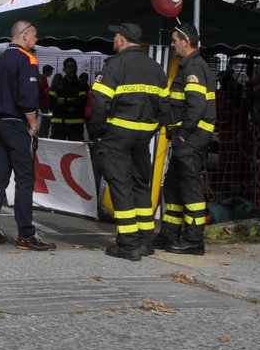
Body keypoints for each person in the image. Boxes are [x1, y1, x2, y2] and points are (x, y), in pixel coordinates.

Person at [90, 23, 168, 260]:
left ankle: (127, 244)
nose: (114, 40)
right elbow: (165, 107)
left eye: (115, 36)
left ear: (122, 40)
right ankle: (145, 239)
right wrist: (152, 128)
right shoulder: (156, 68)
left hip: (117, 136)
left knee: (121, 186)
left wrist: (98, 131)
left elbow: (100, 102)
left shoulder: (114, 65)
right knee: (140, 184)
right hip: (144, 137)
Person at [0, 20, 55, 250]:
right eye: (34, 36)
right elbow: (27, 98)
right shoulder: (27, 60)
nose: (36, 41)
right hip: (17, 124)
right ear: (24, 36)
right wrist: (33, 125)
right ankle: (26, 234)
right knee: (24, 179)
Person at [155, 23, 215, 256]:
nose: (172, 45)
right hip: (185, 138)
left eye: (174, 40)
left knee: (190, 189)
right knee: (173, 187)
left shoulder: (194, 67)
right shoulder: (188, 66)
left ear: (186, 41)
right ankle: (169, 234)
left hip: (190, 138)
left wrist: (183, 133)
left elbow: (196, 105)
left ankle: (193, 240)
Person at [50, 58, 88, 140]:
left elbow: (82, 104)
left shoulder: (82, 86)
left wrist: (63, 102)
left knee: (76, 152)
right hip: (58, 125)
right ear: (64, 69)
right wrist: (71, 106)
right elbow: (50, 104)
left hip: (76, 126)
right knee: (56, 150)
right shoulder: (56, 86)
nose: (73, 69)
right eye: (70, 67)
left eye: (74, 67)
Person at [37, 64, 54, 140]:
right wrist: (50, 89)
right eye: (50, 72)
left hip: (42, 103)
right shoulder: (43, 80)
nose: (51, 73)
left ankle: (42, 135)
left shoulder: (41, 79)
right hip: (43, 103)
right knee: (45, 121)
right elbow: (44, 92)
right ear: (47, 71)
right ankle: (43, 136)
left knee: (45, 120)